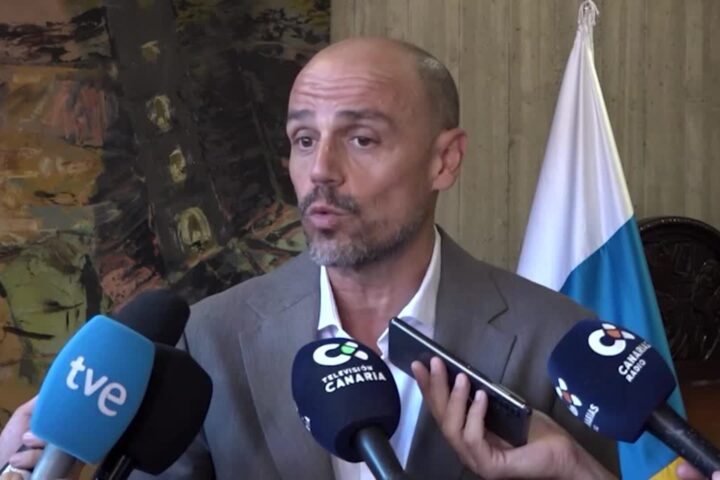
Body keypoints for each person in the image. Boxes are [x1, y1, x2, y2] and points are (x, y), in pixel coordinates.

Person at [0, 37, 716, 479]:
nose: (321, 171)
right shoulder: (211, 340)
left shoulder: (553, 339)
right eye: (304, 140)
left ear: (444, 160)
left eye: (362, 139)